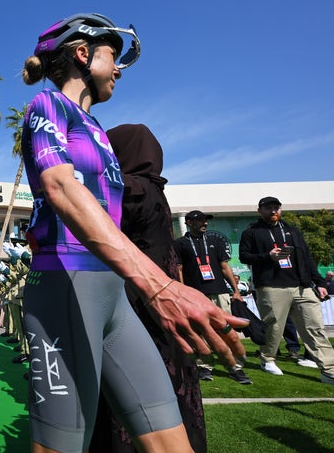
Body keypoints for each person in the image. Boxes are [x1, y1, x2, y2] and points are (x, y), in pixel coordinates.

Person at [20, 13, 247, 453]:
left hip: (116, 298)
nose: (120, 69)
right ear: (83, 54)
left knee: (174, 443)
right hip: (65, 288)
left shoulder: (99, 132)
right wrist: (159, 284)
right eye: (113, 56)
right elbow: (60, 186)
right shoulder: (46, 106)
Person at [88, 123, 207, 452]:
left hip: (136, 304)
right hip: (159, 303)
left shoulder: (130, 190)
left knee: (129, 392)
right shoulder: (157, 191)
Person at [239, 196, 334, 383]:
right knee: (274, 327)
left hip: (301, 287)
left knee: (314, 327)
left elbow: (306, 258)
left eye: (276, 207)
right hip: (271, 286)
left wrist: (320, 283)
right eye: (268, 208)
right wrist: (267, 256)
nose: (273, 211)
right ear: (260, 211)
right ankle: (267, 358)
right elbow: (244, 257)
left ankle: (329, 369)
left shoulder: (292, 231)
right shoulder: (252, 232)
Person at [174, 210, 252, 385]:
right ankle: (204, 366)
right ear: (188, 222)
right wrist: (182, 293)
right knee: (199, 331)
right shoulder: (180, 244)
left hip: (219, 292)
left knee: (225, 330)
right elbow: (179, 271)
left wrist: (236, 290)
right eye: (200, 220)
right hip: (195, 295)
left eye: (206, 220)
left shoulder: (215, 241)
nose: (205, 223)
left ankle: (235, 367)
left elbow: (224, 267)